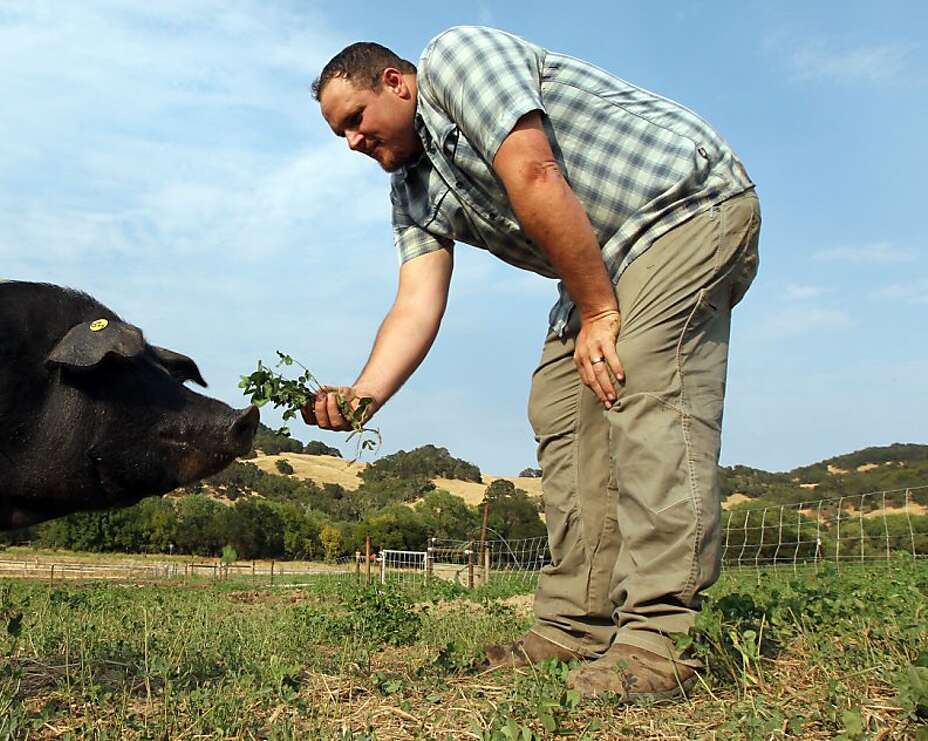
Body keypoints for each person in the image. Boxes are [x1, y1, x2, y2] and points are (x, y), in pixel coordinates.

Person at [302, 26, 760, 703]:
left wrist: (601, 314)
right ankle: (575, 625)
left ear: (395, 83)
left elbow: (534, 172)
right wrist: (364, 395)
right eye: (339, 134)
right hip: (605, 262)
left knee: (637, 373)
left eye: (355, 120)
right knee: (559, 403)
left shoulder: (457, 58)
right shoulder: (411, 192)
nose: (351, 143)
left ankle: (662, 642)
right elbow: (416, 304)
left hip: (683, 209)